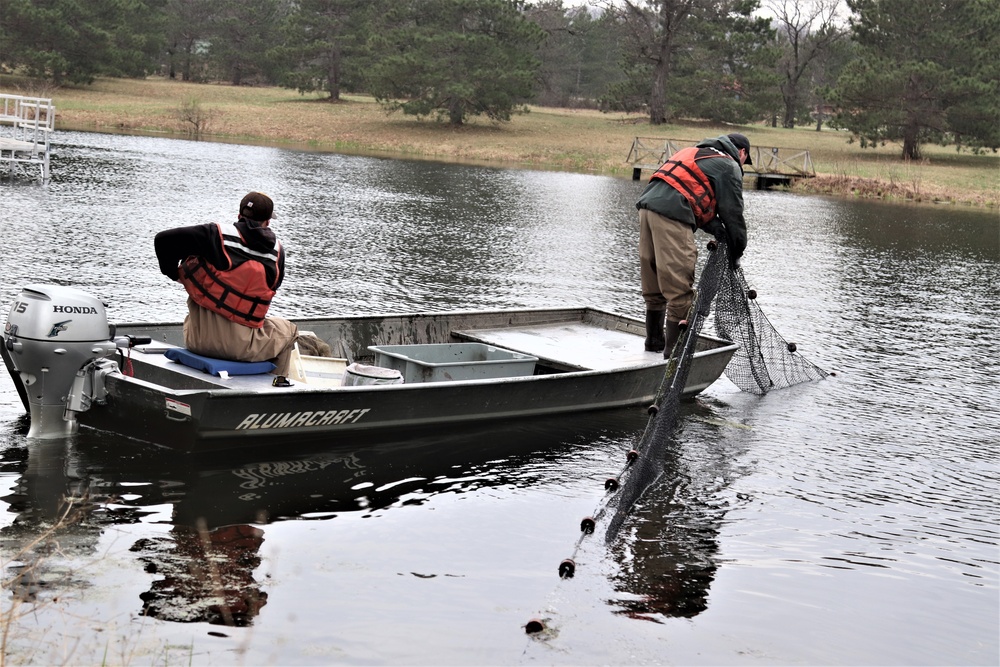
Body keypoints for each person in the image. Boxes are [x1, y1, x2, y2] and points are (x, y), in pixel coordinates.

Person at [154, 191, 300, 376]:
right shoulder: (277, 254)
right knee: (289, 331)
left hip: (196, 340)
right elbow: (273, 287)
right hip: (242, 348)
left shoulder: (214, 235)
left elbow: (162, 240)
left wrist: (173, 273)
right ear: (268, 222)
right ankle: (275, 388)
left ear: (239, 216)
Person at [635, 133, 751, 357]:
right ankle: (674, 357)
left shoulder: (694, 152)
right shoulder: (729, 165)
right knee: (680, 290)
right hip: (672, 217)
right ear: (742, 153)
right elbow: (733, 213)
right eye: (745, 159)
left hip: (646, 210)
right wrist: (737, 249)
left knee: (655, 285)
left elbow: (687, 191)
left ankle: (654, 342)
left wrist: (716, 228)